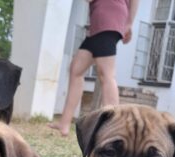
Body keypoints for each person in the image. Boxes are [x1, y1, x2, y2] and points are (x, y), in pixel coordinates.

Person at [49, 0, 139, 136]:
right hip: (103, 23)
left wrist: (129, 23)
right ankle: (64, 123)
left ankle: (116, 127)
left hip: (107, 20)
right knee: (76, 69)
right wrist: (129, 22)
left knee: (106, 75)